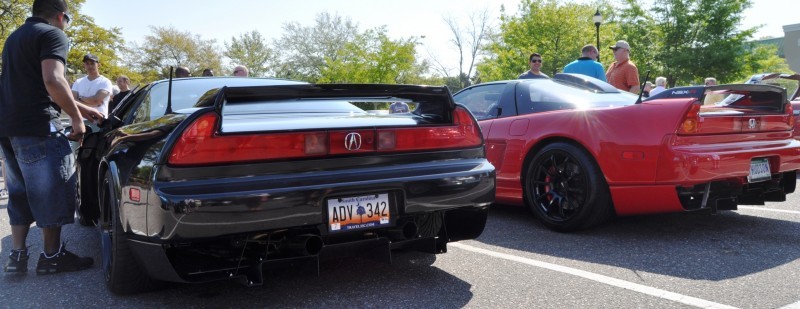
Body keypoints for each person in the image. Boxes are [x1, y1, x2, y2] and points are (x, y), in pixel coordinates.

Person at [0, 0, 100, 274]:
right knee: (51, 191)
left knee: (19, 193)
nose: (66, 25)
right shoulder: (52, 34)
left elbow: (33, 86)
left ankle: (17, 257)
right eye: (67, 20)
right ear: (60, 16)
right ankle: (52, 257)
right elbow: (53, 80)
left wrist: (82, 107)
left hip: (9, 127)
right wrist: (78, 120)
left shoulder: (15, 37)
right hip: (38, 127)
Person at [72, 53, 113, 121]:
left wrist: (79, 99)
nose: (90, 66)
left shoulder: (105, 82)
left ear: (98, 65)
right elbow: (72, 101)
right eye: (87, 63)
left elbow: (96, 100)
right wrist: (90, 103)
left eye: (92, 63)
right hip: (80, 121)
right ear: (84, 65)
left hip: (99, 121)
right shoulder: (78, 82)